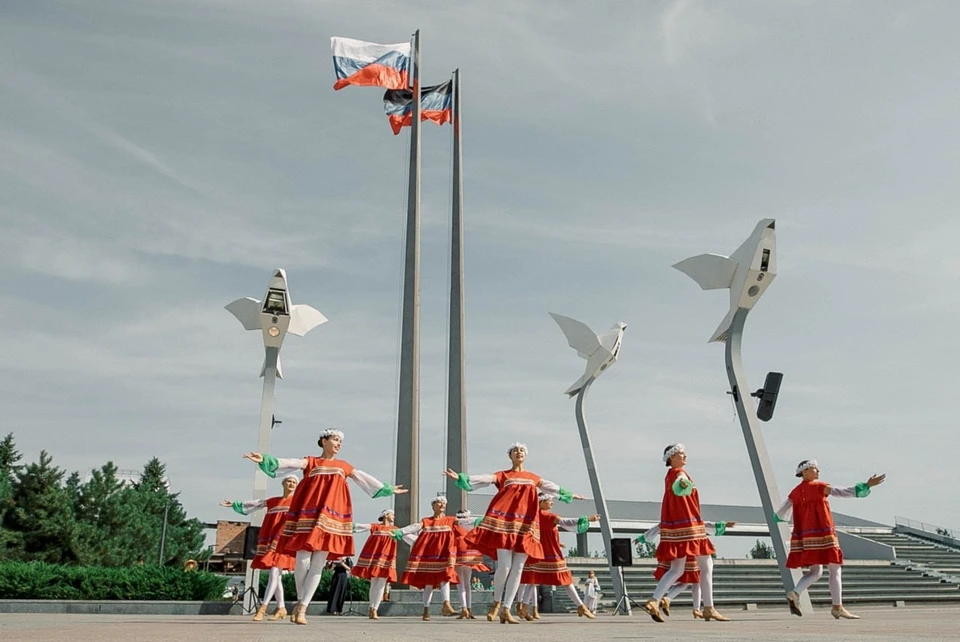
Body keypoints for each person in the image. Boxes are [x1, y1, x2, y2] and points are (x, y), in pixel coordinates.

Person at [242, 428, 407, 625]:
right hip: (307, 516)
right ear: (324, 441)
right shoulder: (312, 462)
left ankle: (302, 607)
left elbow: (362, 477)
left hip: (330, 517)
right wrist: (267, 459)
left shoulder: (343, 466)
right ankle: (301, 600)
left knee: (318, 563)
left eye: (340, 441)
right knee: (302, 561)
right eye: (335, 439)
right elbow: (292, 463)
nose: (338, 443)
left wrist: (386, 488)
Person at [445, 442, 585, 624]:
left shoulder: (532, 477)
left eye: (521, 450)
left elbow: (552, 487)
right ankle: (496, 603)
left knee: (518, 568)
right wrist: (464, 477)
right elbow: (486, 478)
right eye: (515, 450)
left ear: (525, 455)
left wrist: (571, 494)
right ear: (510, 455)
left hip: (525, 526)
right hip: (505, 524)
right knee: (504, 566)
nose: (518, 452)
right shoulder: (504, 475)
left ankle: (506, 608)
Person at [776, 459, 885, 620]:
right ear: (805, 472)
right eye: (814, 468)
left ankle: (795, 593)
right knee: (835, 568)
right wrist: (866, 485)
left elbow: (779, 514)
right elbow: (843, 492)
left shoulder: (794, 493)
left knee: (816, 571)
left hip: (806, 536)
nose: (818, 471)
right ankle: (837, 606)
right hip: (823, 531)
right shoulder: (820, 486)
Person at [643, 443, 728, 623]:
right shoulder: (678, 474)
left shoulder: (668, 476)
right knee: (706, 567)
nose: (685, 456)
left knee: (677, 569)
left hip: (676, 527)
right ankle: (708, 608)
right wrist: (683, 482)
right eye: (681, 454)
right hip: (690, 525)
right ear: (672, 458)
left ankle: (654, 600)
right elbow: (680, 482)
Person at [220, 473, 300, 621]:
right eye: (288, 481)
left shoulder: (298, 502)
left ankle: (262, 608)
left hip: (285, 542)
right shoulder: (273, 501)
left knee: (275, 572)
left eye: (294, 482)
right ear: (283, 484)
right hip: (272, 540)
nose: (291, 484)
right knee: (276, 575)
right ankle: (281, 608)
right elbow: (256, 503)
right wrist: (235, 504)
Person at [519, 492, 600, 620]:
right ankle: (581, 606)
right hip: (551, 553)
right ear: (541, 502)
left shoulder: (533, 517)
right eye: (549, 500)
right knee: (566, 580)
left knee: (533, 581)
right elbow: (566, 522)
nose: (552, 502)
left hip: (537, 552)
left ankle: (523, 607)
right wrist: (588, 519)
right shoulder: (549, 516)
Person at [636, 520, 735, 619]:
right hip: (691, 553)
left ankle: (661, 599)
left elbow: (657, 528)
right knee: (695, 580)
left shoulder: (670, 520)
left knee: (680, 576)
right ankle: (695, 608)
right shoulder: (688, 519)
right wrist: (723, 524)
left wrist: (642, 538)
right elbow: (702, 524)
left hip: (677, 550)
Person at [397, 494, 464, 621]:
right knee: (428, 583)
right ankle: (426, 610)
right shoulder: (426, 521)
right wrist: (401, 531)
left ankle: (446, 604)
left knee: (446, 576)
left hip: (444, 553)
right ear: (433, 506)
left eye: (443, 503)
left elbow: (465, 521)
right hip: (429, 554)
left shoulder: (450, 520)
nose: (442, 504)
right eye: (439, 502)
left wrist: (481, 519)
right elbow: (414, 527)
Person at [352, 509, 400, 620]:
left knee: (381, 584)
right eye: (392, 514)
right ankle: (371, 608)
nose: (394, 517)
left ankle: (374, 609)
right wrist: (349, 526)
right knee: (374, 583)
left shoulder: (395, 530)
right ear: (386, 515)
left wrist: (421, 540)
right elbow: (362, 527)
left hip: (386, 559)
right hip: (375, 558)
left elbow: (407, 535)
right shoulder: (375, 527)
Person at [453, 508, 490, 619]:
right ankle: (468, 608)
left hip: (459, 552)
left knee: (461, 584)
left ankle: (464, 608)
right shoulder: (471, 522)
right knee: (467, 584)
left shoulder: (455, 523)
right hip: (470, 552)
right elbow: (482, 519)